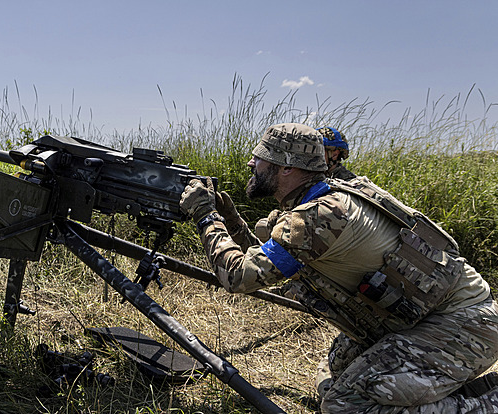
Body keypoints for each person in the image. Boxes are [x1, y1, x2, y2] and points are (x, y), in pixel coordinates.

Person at [179, 122, 498, 413]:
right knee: (334, 375)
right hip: (422, 320)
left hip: (465, 324)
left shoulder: (322, 217)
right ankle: (465, 392)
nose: (252, 164)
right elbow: (261, 263)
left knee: (343, 405)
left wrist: (206, 217)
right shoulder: (320, 204)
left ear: (287, 166)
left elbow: (238, 276)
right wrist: (232, 220)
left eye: (260, 157)